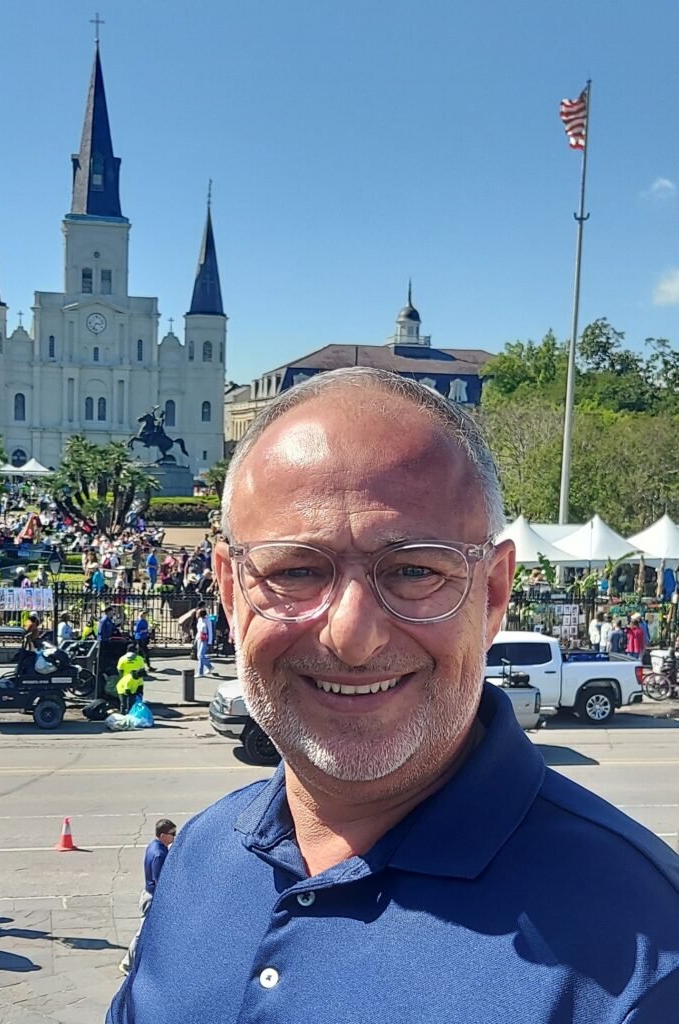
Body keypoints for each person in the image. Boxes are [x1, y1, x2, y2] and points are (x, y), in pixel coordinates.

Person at [107, 368, 679, 1023]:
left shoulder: (641, 955)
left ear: (492, 594)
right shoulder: (202, 858)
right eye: (294, 570)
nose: (351, 636)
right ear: (232, 593)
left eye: (413, 570)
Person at [119, 818, 177, 976]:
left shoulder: (153, 846)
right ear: (163, 835)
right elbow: (160, 881)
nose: (175, 837)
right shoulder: (159, 854)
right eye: (173, 834)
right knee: (143, 932)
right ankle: (127, 963)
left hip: (149, 894)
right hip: (153, 898)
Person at [115, 643, 147, 714]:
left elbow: (119, 670)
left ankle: (124, 714)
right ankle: (134, 712)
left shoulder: (122, 659)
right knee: (136, 699)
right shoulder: (139, 659)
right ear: (135, 650)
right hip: (137, 681)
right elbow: (142, 669)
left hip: (125, 681)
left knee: (124, 701)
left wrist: (122, 677)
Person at [194, 606, 213, 677]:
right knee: (199, 656)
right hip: (199, 638)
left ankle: (200, 671)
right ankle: (209, 667)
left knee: (200, 655)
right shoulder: (199, 620)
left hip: (205, 639)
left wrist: (210, 642)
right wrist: (196, 639)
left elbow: (210, 632)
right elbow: (198, 630)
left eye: (198, 613)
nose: (196, 615)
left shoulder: (207, 621)